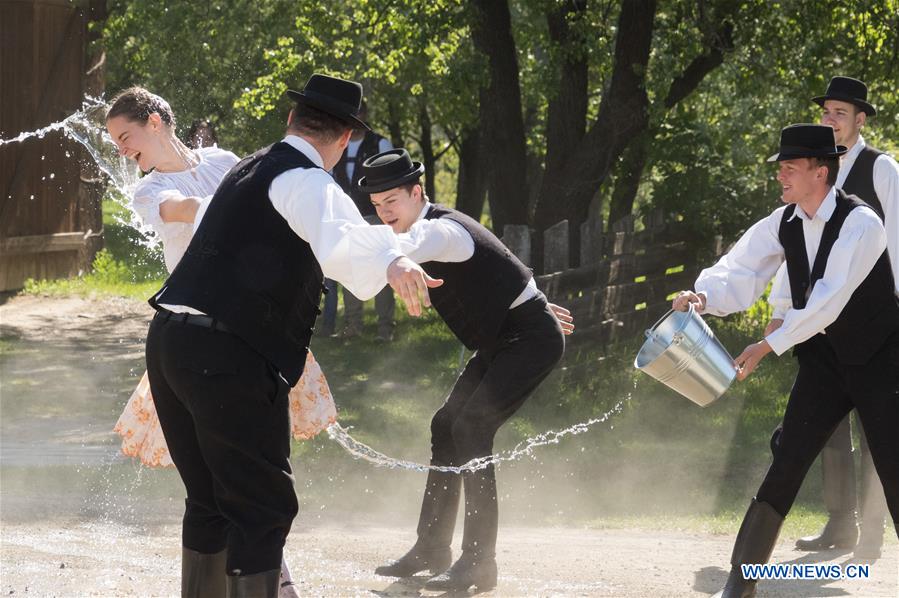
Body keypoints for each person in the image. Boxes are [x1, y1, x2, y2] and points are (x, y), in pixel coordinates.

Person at [138, 74, 438, 597]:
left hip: (168, 340)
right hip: (224, 352)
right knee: (261, 508)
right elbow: (343, 236)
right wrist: (393, 260)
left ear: (291, 120)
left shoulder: (245, 168)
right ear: (345, 139)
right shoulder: (305, 180)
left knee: (209, 501)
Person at [104, 86, 334, 597]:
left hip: (250, 328)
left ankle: (273, 576)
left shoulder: (225, 161)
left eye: (126, 135)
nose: (122, 149)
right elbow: (185, 210)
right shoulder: (148, 190)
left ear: (157, 121)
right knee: (221, 481)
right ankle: (276, 582)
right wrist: (252, 207)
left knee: (245, 473)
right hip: (205, 337)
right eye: (115, 142)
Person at [671, 124, 899, 598]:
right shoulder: (785, 221)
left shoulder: (863, 224)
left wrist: (768, 344)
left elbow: (828, 300)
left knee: (894, 463)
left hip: (881, 360)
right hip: (825, 363)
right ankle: (743, 580)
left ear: (821, 172)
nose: (781, 175)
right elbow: (741, 267)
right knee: (787, 459)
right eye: (780, 168)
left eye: (790, 167)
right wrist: (702, 295)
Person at [361, 149, 574, 592]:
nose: (384, 215)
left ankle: (480, 561)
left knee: (472, 428)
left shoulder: (439, 231)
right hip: (507, 334)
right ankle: (432, 548)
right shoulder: (427, 227)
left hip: (529, 339)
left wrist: (534, 310)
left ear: (417, 193)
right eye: (377, 207)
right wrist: (530, 297)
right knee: (446, 427)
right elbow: (499, 267)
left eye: (392, 203)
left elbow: (406, 247)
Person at [767, 76, 897, 560]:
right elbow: (794, 246)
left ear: (860, 120)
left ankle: (872, 537)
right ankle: (841, 524)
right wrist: (784, 311)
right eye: (827, 112)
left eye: (840, 113)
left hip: (875, 326)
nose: (831, 119)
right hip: (821, 325)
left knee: (878, 433)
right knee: (826, 432)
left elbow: (898, 244)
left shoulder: (881, 170)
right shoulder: (812, 169)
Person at [321, 101, 396, 339]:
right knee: (350, 270)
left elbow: (393, 178)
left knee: (382, 269)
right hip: (347, 216)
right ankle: (353, 326)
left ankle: (386, 328)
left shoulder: (380, 143)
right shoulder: (337, 145)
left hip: (375, 214)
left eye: (360, 114)